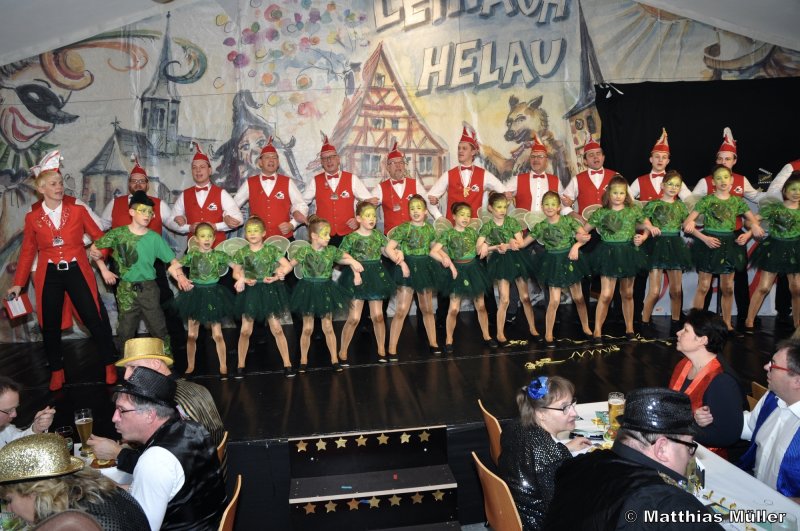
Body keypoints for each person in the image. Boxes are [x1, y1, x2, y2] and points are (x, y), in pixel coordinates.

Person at [7, 150, 118, 391]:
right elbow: (28, 251)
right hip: (49, 275)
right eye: (53, 184)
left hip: (77, 271)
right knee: (49, 324)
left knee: (93, 318)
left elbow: (101, 237)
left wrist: (100, 251)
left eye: (60, 182)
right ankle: (57, 371)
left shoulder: (77, 210)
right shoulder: (33, 217)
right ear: (41, 189)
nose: (59, 187)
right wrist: (18, 283)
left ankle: (109, 364)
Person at [544, 388, 724, 530]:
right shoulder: (668, 504)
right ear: (661, 448)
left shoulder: (579, 463)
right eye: (689, 446)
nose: (690, 456)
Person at [87, 337, 226, 473]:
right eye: (126, 369)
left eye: (133, 367)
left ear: (155, 364)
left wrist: (118, 453)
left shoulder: (168, 403)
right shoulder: (196, 387)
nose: (126, 376)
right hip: (217, 470)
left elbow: (168, 467)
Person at [112, 367, 226, 531]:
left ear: (149, 415)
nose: (114, 418)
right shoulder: (194, 428)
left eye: (121, 410)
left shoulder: (154, 461)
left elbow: (142, 527)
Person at [90, 191, 192, 354]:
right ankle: (126, 362)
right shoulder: (118, 234)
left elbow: (172, 262)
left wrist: (180, 277)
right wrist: (104, 270)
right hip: (125, 289)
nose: (147, 215)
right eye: (143, 210)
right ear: (131, 212)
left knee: (158, 326)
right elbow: (95, 248)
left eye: (150, 212)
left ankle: (166, 359)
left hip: (149, 288)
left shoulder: (154, 238)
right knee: (125, 329)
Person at [691, 128, 764, 327]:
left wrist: (776, 198)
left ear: (734, 160)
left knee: (737, 280)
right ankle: (701, 320)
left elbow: (756, 198)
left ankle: (742, 317)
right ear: (716, 160)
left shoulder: (740, 180)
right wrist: (698, 226)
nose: (724, 162)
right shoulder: (706, 182)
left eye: (728, 159)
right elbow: (692, 203)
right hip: (710, 235)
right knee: (705, 282)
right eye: (720, 159)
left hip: (734, 235)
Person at [0, 433, 149, 530]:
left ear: (34, 490)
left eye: (9, 500)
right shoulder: (101, 490)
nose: (9, 509)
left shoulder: (70, 524)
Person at [498, 376, 591, 531]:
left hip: (514, 513)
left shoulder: (514, 426)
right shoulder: (550, 458)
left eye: (572, 404)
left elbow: (535, 458)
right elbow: (562, 509)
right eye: (564, 407)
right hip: (538, 524)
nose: (574, 413)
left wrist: (565, 448)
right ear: (541, 413)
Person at [583, 175, 657, 342]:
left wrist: (643, 236)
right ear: (609, 193)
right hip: (608, 254)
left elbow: (648, 224)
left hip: (628, 254)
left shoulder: (633, 210)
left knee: (628, 293)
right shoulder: (601, 212)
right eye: (615, 192)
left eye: (621, 193)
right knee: (606, 294)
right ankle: (597, 331)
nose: (618, 196)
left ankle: (630, 329)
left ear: (626, 194)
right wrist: (579, 238)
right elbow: (584, 230)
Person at [288, 215, 362, 372]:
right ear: (314, 236)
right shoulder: (304, 251)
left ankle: (334, 359)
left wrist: (353, 262)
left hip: (325, 289)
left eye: (329, 234)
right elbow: (290, 265)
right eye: (325, 234)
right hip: (308, 290)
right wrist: (280, 272)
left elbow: (344, 258)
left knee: (328, 326)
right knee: (307, 328)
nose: (329, 237)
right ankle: (303, 360)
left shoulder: (331, 251)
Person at [732, 339, 800, 500]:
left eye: (773, 365)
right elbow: (750, 426)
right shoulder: (772, 398)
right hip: (754, 493)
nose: (766, 367)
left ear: (797, 381)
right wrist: (715, 417)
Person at [669, 309, 744, 455]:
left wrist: (679, 427)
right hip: (680, 447)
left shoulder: (722, 381)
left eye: (685, 330)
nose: (678, 333)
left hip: (706, 457)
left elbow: (727, 436)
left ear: (702, 340)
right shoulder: (683, 365)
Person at [525, 191, 592, 347]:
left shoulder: (568, 221)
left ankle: (586, 327)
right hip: (553, 263)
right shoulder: (541, 226)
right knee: (554, 300)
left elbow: (585, 236)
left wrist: (576, 246)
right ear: (542, 207)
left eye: (553, 204)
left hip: (569, 260)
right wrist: (507, 244)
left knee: (578, 298)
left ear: (559, 207)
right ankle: (548, 334)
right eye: (546, 204)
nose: (549, 207)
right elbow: (522, 243)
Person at [337, 202, 401, 363]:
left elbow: (385, 251)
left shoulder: (378, 235)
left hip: (375, 275)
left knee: (378, 316)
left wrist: (397, 253)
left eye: (374, 215)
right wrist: (352, 261)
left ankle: (381, 349)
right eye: (367, 215)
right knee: (354, 318)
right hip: (357, 276)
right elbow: (339, 256)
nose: (372, 218)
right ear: (358, 218)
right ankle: (343, 350)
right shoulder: (351, 237)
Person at [231, 216, 294, 377]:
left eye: (256, 231)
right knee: (245, 330)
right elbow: (236, 272)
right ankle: (240, 365)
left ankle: (287, 363)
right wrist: (243, 279)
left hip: (268, 291)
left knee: (277, 328)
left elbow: (286, 266)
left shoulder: (271, 250)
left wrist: (277, 275)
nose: (252, 234)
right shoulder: (242, 252)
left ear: (264, 233)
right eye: (249, 231)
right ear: (245, 234)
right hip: (250, 292)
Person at [174, 222, 235, 379]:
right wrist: (181, 278)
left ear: (214, 238)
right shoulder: (192, 255)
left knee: (218, 334)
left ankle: (223, 366)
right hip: (195, 295)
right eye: (202, 236)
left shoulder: (219, 255)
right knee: (192, 335)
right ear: (196, 239)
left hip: (213, 294)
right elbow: (173, 267)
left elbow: (236, 266)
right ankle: (190, 366)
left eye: (209, 236)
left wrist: (240, 277)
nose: (206, 239)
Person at [432, 203, 493, 353]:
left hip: (473, 270)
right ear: (454, 216)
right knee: (454, 308)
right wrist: (444, 259)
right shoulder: (448, 234)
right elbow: (433, 251)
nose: (465, 218)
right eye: (462, 215)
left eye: (468, 215)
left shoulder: (472, 232)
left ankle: (487, 336)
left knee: (481, 306)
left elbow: (479, 248)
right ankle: (449, 339)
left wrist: (485, 245)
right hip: (457, 271)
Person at [477, 192, 537, 345]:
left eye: (504, 207)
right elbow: (479, 248)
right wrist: (493, 246)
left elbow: (520, 242)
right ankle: (500, 333)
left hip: (516, 259)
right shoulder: (487, 226)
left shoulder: (511, 222)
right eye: (498, 207)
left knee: (525, 297)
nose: (502, 210)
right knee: (504, 299)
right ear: (490, 208)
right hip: (501, 262)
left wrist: (510, 243)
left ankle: (533, 329)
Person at [385, 195, 440, 357]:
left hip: (424, 269)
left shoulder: (430, 229)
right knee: (401, 309)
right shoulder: (404, 228)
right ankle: (392, 348)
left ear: (425, 211)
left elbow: (433, 249)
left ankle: (433, 343)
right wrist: (401, 263)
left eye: (419, 208)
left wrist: (446, 260)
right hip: (407, 269)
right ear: (409, 212)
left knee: (427, 309)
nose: (415, 211)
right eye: (412, 209)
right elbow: (389, 248)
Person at [744, 173, 800, 332]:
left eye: (799, 189)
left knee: (796, 289)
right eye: (793, 189)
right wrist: (754, 226)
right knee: (764, 287)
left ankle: (797, 325)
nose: (797, 193)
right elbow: (749, 221)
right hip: (775, 249)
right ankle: (749, 321)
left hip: (795, 250)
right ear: (785, 191)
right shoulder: (775, 208)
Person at [301, 135, 378, 245]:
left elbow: (369, 203)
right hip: (323, 235)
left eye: (331, 157)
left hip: (348, 233)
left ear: (338, 159)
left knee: (349, 257)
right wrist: (307, 219)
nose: (329, 161)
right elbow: (301, 203)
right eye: (325, 158)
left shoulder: (352, 178)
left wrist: (358, 219)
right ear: (321, 162)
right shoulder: (315, 181)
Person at [641, 171, 693, 332]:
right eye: (670, 184)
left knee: (676, 290)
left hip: (675, 247)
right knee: (654, 291)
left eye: (677, 185)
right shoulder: (653, 204)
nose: (673, 187)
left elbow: (687, 223)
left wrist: (691, 224)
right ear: (662, 185)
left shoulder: (681, 206)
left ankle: (676, 322)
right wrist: (647, 230)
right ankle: (644, 322)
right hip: (657, 246)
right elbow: (643, 221)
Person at [426, 127, 508, 221]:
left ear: (473, 152)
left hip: (475, 227)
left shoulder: (484, 175)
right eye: (459, 148)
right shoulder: (448, 175)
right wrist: (440, 218)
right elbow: (428, 198)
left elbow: (505, 193)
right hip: (453, 227)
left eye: (464, 148)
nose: (460, 151)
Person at [232, 138, 308, 238]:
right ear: (260, 162)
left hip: (284, 239)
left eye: (274, 157)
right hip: (257, 240)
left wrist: (292, 224)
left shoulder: (287, 182)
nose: (271, 160)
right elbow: (232, 206)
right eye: (267, 157)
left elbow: (301, 205)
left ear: (278, 163)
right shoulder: (250, 183)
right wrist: (231, 218)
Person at [171, 142, 243, 247]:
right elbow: (171, 221)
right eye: (194, 167)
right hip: (194, 250)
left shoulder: (221, 194)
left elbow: (239, 219)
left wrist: (217, 226)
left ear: (210, 170)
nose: (198, 170)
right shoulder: (185, 195)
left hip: (217, 249)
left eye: (202, 167)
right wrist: (188, 227)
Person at [373, 142, 438, 234]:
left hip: (414, 236)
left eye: (401, 162)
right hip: (391, 237)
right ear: (388, 167)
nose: (398, 165)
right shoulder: (380, 188)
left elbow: (428, 202)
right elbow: (367, 206)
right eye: (394, 163)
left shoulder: (415, 184)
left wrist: (439, 217)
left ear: (404, 165)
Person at [561, 133, 621, 219]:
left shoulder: (616, 177)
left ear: (603, 157)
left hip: (612, 225)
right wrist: (579, 219)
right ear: (585, 161)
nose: (595, 157)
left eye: (598, 154)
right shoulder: (577, 179)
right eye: (591, 155)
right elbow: (563, 205)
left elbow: (630, 201)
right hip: (586, 226)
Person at [630, 129, 691, 202]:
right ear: (651, 159)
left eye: (664, 157)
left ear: (667, 161)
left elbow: (690, 200)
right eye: (657, 156)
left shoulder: (676, 180)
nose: (660, 160)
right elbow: (626, 199)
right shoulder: (639, 181)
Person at [0, 377, 54, 447]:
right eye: (8, 410)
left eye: (15, 408)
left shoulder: (5, 428)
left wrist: (36, 428)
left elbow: (18, 442)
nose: (14, 414)